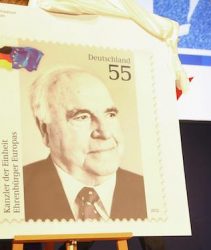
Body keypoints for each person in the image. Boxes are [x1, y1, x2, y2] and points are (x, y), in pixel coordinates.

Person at [23, 66, 164, 250]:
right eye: (82, 117)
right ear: (45, 130)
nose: (105, 133)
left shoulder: (147, 192)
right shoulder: (21, 190)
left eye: (110, 114)